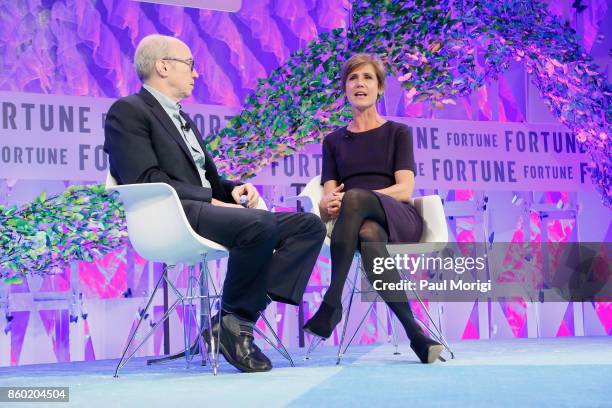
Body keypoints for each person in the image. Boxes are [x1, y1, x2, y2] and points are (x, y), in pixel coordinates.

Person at [104, 34, 326, 373]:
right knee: (258, 223)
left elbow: (206, 180)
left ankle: (232, 320)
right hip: (171, 215)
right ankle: (235, 324)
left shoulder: (181, 117)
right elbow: (145, 179)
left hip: (203, 208)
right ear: (163, 66)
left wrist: (233, 191)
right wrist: (214, 201)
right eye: (190, 65)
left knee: (308, 226)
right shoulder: (128, 111)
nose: (196, 73)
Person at [302, 53, 443, 364]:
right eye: (353, 78)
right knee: (367, 235)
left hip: (398, 216)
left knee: (355, 198)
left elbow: (405, 189)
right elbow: (329, 193)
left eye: (367, 78)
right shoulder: (333, 141)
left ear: (380, 89)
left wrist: (361, 197)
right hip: (360, 223)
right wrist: (327, 201)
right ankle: (416, 335)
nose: (359, 84)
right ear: (345, 89)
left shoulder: (397, 133)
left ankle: (331, 301)